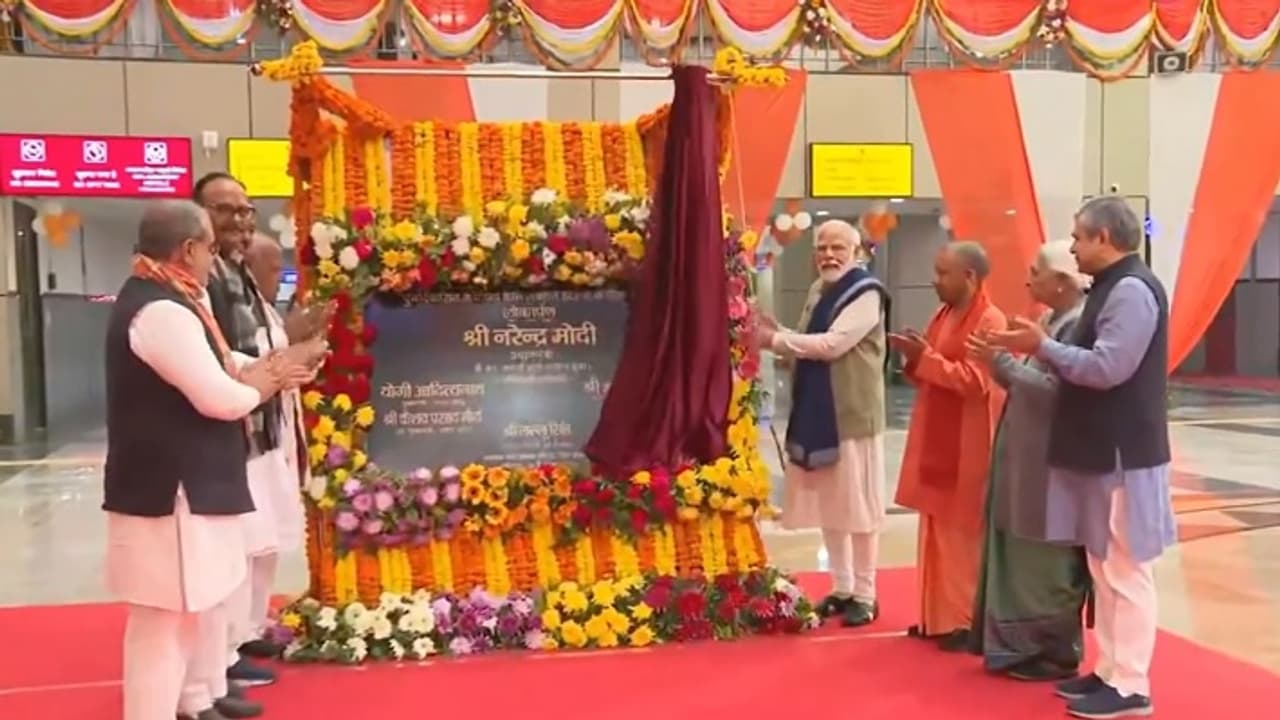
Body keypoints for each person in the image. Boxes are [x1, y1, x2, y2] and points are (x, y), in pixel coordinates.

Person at [103, 200, 309, 720]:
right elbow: (219, 396)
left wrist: (268, 369)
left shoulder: (177, 300)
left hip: (183, 488)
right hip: (167, 493)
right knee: (163, 625)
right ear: (189, 249)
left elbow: (222, 363)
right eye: (210, 249)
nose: (213, 261)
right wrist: (268, 381)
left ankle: (190, 701)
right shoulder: (160, 310)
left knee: (187, 616)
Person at [989, 197, 1176, 719]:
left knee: (1126, 567)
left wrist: (1043, 346)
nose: (1071, 246)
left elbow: (1108, 368)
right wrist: (1040, 345)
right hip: (1100, 448)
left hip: (1123, 451)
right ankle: (1112, 670)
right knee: (1102, 565)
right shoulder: (1110, 288)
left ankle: (1133, 685)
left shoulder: (1133, 291)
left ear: (1105, 239)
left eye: (1078, 237)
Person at [195, 172, 329, 693]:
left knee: (266, 541)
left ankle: (244, 633)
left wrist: (297, 346)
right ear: (199, 217)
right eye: (226, 210)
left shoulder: (239, 274)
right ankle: (222, 655)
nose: (240, 220)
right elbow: (223, 358)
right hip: (237, 429)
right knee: (241, 547)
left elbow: (266, 340)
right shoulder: (204, 281)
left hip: (266, 424)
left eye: (246, 210)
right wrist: (280, 361)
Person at [964, 240, 1091, 681]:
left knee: (1045, 561)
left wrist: (1005, 363)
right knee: (1019, 551)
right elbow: (1024, 381)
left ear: (1061, 282)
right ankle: (1018, 650)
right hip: (1025, 456)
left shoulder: (1078, 327)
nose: (1028, 279)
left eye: (1036, 271)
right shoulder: (1048, 321)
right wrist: (995, 360)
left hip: (1050, 465)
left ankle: (1052, 654)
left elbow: (1060, 394)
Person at [757, 220, 889, 626]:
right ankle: (843, 586)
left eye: (838, 248)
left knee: (860, 507)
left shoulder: (865, 293)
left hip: (852, 414)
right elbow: (807, 338)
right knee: (834, 505)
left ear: (857, 251)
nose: (828, 255)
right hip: (817, 410)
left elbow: (833, 345)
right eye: (822, 248)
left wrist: (775, 341)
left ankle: (866, 593)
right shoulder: (819, 289)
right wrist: (777, 332)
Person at [892, 241, 1007, 650]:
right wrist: (913, 357)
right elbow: (929, 368)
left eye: (943, 273)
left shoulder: (990, 320)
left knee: (962, 537)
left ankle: (967, 622)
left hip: (969, 440)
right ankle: (936, 618)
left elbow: (977, 383)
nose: (934, 280)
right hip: (938, 435)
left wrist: (926, 359)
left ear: (970, 277)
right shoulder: (943, 314)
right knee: (936, 530)